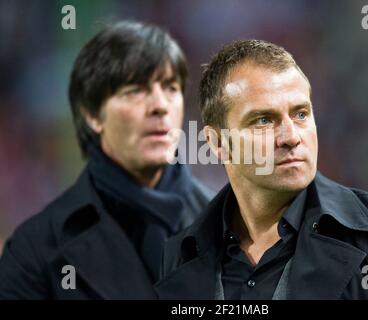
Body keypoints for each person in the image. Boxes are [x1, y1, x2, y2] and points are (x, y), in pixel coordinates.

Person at [154, 39, 368, 299]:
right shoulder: (179, 255)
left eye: (301, 114)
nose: (291, 136)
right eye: (264, 120)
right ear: (217, 143)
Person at [0, 21, 214, 299]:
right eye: (135, 91)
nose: (160, 105)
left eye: (171, 87)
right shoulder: (36, 250)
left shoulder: (235, 228)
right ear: (92, 114)